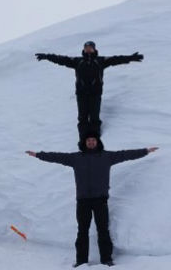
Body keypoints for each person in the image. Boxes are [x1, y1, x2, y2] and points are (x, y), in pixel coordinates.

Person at [26, 134, 158, 267]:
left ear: (97, 142)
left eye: (93, 140)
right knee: (82, 231)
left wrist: (145, 151)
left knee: (103, 230)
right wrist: (38, 155)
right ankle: (81, 261)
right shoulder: (76, 158)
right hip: (83, 201)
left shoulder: (106, 156)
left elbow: (125, 155)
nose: (91, 142)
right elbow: (57, 157)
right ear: (84, 143)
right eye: (88, 140)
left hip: (100, 200)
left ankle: (106, 259)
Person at [35, 41, 143, 138]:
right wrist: (46, 56)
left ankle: (95, 139)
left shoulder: (101, 60)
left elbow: (116, 59)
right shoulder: (77, 61)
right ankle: (83, 138)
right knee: (82, 118)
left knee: (94, 117)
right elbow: (61, 59)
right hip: (81, 94)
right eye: (86, 47)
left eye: (90, 47)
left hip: (95, 94)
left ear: (94, 49)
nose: (88, 49)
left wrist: (130, 58)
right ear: (83, 49)